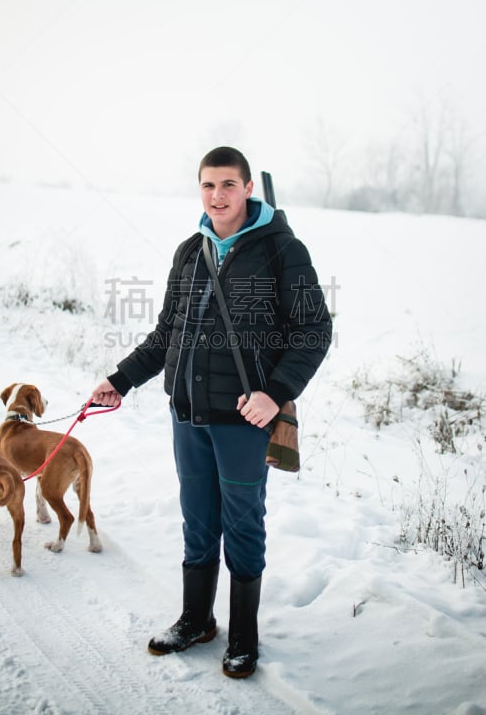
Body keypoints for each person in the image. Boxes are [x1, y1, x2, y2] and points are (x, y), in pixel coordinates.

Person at [92, 146, 332, 678]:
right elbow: (165, 335)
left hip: (245, 420)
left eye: (228, 184)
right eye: (208, 185)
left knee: (243, 524)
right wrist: (120, 379)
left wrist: (275, 392)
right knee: (198, 520)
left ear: (248, 188)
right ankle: (196, 619)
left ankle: (243, 635)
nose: (217, 196)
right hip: (188, 414)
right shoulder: (189, 251)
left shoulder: (282, 252)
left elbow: (314, 331)